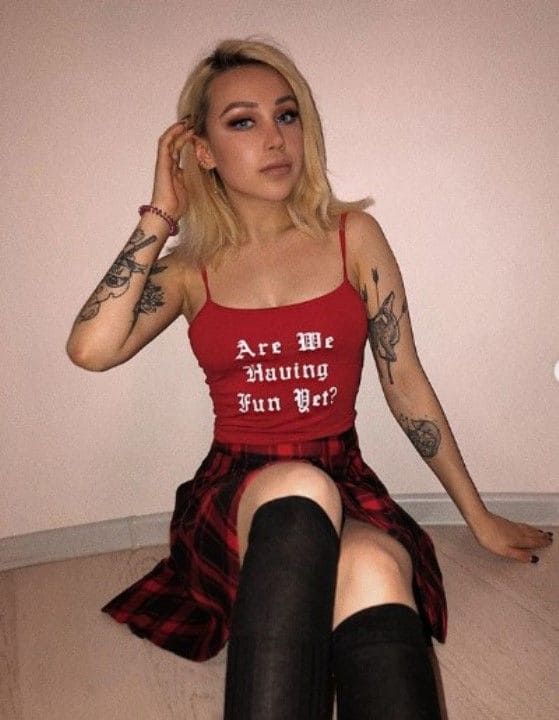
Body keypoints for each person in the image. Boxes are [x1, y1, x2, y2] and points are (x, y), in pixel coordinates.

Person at [66, 38, 553, 720]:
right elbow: (90, 349)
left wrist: (477, 517)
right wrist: (160, 212)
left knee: (375, 570)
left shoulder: (353, 236)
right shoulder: (186, 270)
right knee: (298, 488)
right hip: (236, 490)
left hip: (341, 474)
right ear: (201, 151)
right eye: (243, 121)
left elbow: (404, 382)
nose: (275, 139)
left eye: (286, 115)